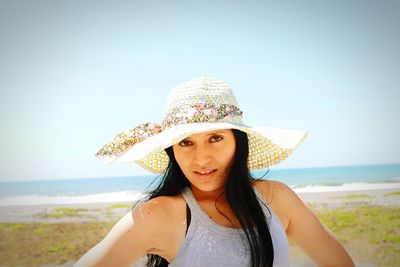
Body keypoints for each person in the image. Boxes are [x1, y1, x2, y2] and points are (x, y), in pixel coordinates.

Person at [74, 77, 355, 267]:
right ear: (172, 151)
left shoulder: (276, 198)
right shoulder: (159, 214)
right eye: (186, 142)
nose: (201, 158)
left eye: (215, 138)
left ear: (238, 141)